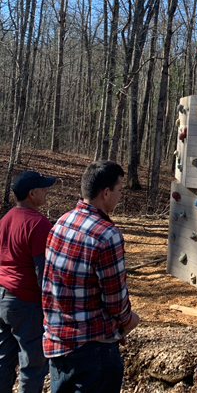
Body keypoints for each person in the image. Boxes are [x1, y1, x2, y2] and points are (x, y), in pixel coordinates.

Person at [42, 161, 139, 393]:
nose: (121, 196)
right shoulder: (107, 235)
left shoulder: (62, 222)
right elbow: (115, 300)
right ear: (106, 193)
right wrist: (129, 319)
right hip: (92, 349)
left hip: (57, 343)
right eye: (119, 190)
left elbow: (48, 283)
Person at [0, 170, 56, 393]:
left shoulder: (5, 219)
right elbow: (44, 272)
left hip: (3, 297)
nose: (46, 192)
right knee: (32, 365)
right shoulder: (39, 224)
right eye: (43, 189)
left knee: (3, 360)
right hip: (26, 301)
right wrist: (51, 309)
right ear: (32, 194)